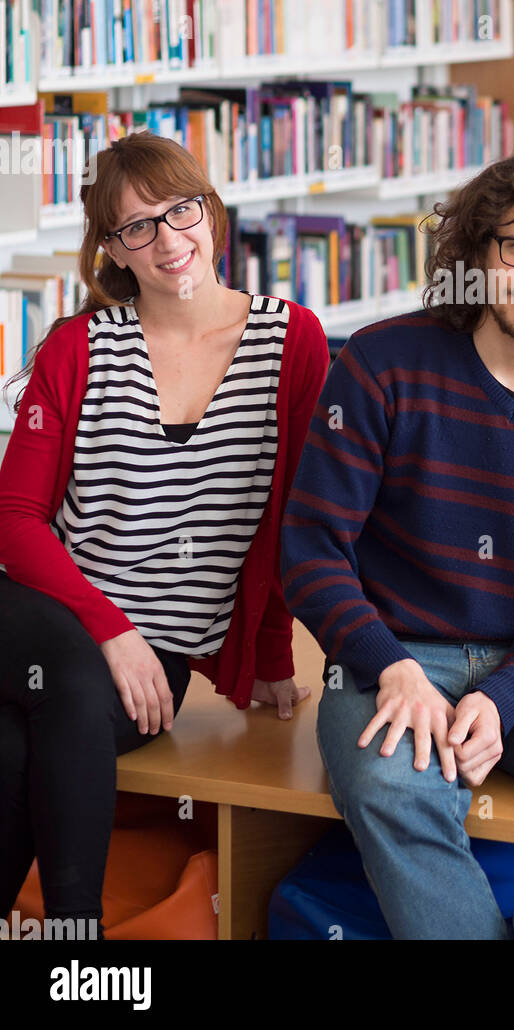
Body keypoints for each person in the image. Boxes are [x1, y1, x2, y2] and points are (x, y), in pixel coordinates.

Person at [281, 141, 514, 940]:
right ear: (479, 250)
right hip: (390, 650)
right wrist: (387, 666)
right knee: (395, 791)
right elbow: (311, 549)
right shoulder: (383, 364)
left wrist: (506, 690)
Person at [0, 131, 329, 938]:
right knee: (70, 679)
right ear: (112, 249)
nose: (167, 240)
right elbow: (15, 521)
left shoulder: (291, 342)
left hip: (160, 660)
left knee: (11, 745)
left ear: (209, 212)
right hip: (43, 610)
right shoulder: (80, 348)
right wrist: (111, 630)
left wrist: (271, 654)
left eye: (178, 210)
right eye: (135, 226)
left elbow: (298, 510)